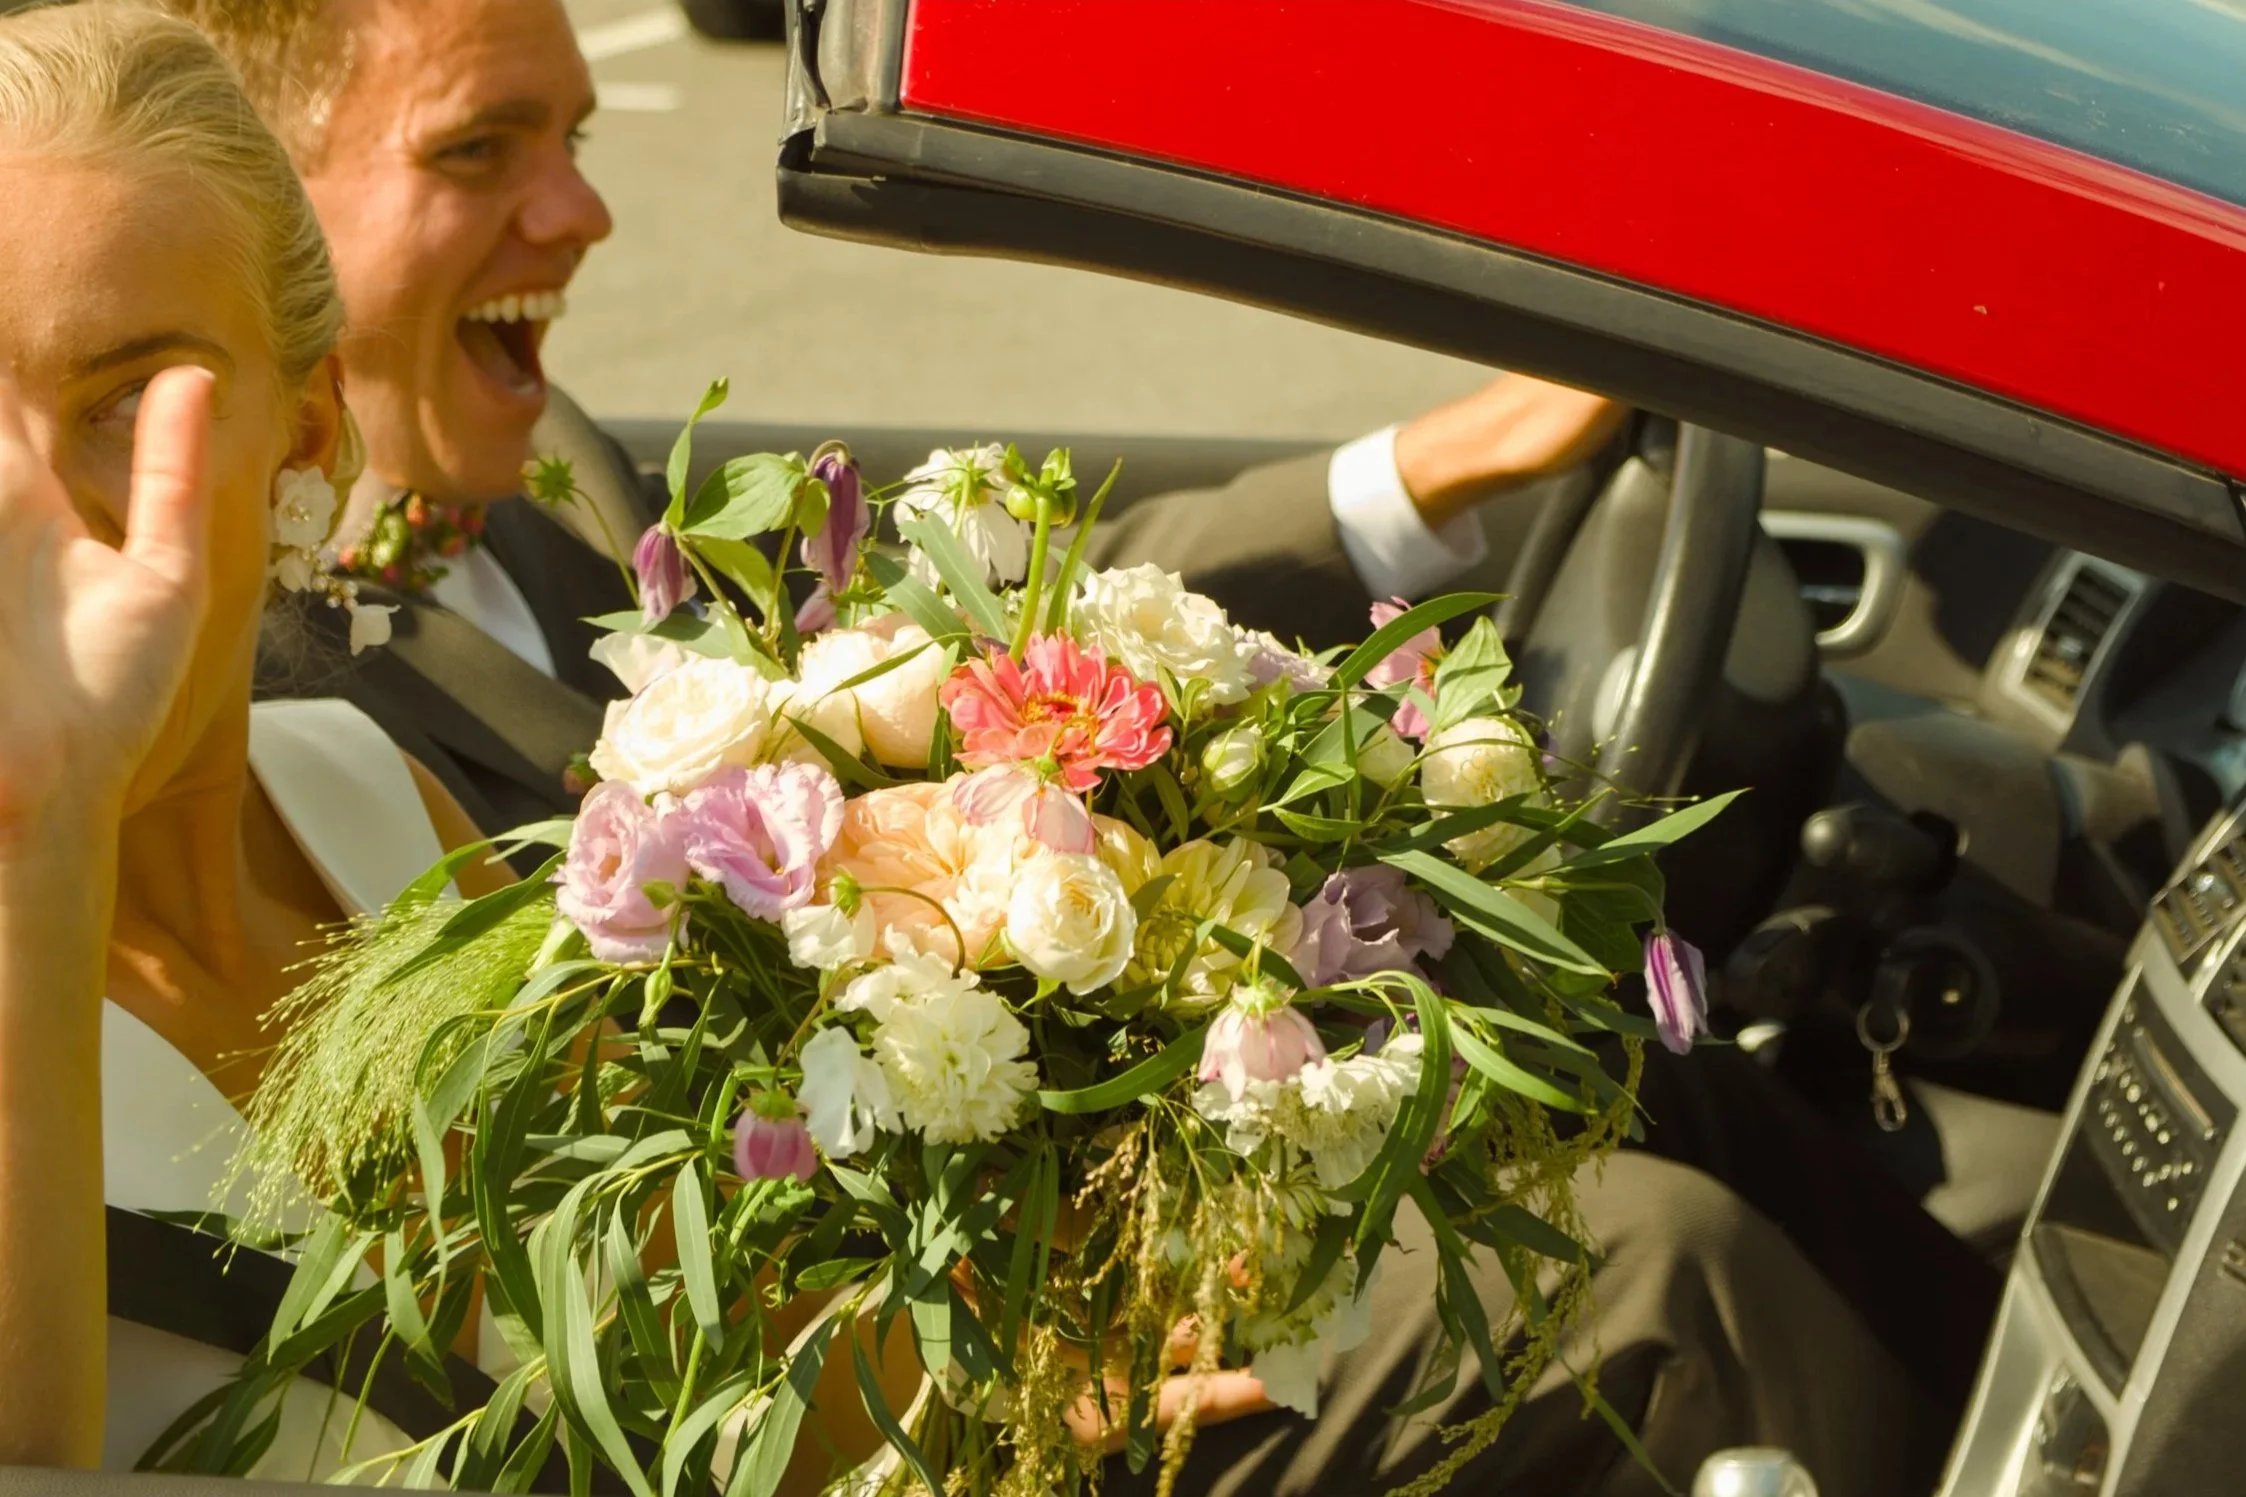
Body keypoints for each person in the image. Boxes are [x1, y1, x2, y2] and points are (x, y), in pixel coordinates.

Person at [162, 0, 1628, 838]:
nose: (583, 212)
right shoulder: (215, 692)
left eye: (576, 142)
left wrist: (1440, 463)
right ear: (254, 205)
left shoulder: (565, 468)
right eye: (479, 152)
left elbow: (961, 616)